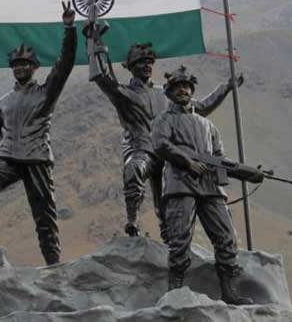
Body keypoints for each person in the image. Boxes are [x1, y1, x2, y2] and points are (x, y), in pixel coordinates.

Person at [0, 1, 77, 266]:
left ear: (34, 67)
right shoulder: (4, 102)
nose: (20, 68)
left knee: (44, 214)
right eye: (16, 65)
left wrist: (69, 29)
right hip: (8, 156)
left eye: (25, 64)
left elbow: (65, 64)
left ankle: (53, 262)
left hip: (36, 157)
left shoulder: (45, 92)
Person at [90, 42, 240, 240]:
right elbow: (100, 77)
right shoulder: (122, 92)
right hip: (141, 149)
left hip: (169, 155)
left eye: (149, 62)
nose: (147, 65)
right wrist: (95, 47)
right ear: (130, 66)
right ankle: (132, 221)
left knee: (166, 203)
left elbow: (202, 107)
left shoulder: (167, 94)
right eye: (141, 62)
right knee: (133, 169)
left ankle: (169, 237)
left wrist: (226, 87)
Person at [151, 65, 253, 305]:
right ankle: (175, 292)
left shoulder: (208, 126)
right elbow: (161, 145)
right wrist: (188, 163)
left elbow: (219, 156)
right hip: (180, 185)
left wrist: (246, 172)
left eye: (186, 86)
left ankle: (229, 292)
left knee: (226, 237)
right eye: (177, 87)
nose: (183, 90)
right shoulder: (164, 120)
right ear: (169, 93)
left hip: (210, 188)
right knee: (179, 240)